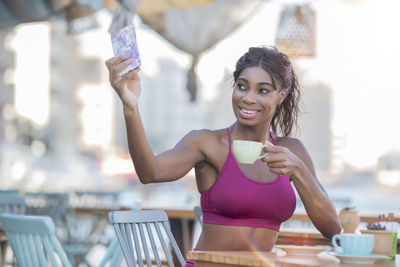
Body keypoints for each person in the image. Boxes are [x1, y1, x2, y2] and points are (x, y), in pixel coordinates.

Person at [105, 46, 342, 265]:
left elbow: (333, 229)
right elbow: (150, 172)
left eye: (263, 90)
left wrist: (299, 170)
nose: (248, 97)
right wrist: (130, 107)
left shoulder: (293, 152)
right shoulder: (208, 143)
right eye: (242, 86)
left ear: (281, 95)